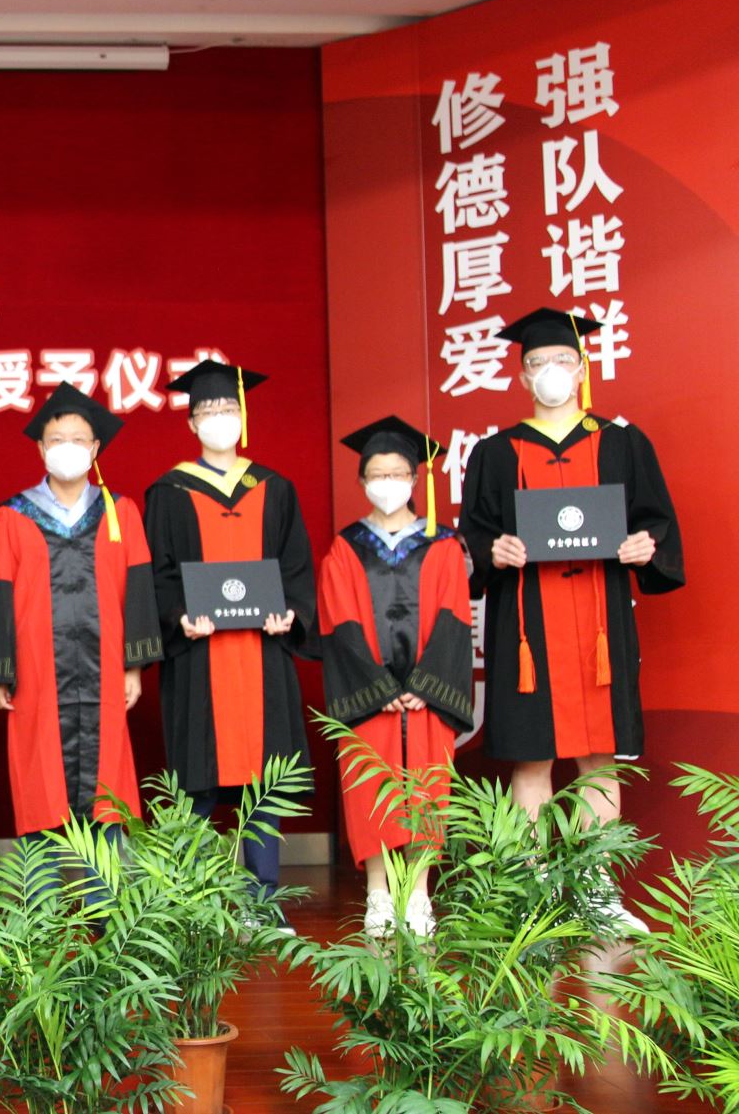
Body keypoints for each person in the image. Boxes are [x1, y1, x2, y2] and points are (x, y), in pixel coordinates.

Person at [460, 307, 683, 929]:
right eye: (538, 363)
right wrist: (493, 551)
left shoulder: (622, 444)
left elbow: (656, 522)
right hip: (525, 627)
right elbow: (472, 536)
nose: (551, 371)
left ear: (582, 368)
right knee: (531, 759)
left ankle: (596, 893)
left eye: (562, 360)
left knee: (598, 758)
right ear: (522, 375)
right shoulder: (496, 453)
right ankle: (529, 894)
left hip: (599, 624)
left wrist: (644, 546)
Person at [142, 359, 315, 902]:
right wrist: (178, 616)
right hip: (199, 657)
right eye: (208, 410)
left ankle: (264, 900)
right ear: (191, 422)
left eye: (228, 408)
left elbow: (296, 567)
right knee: (198, 778)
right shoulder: (169, 491)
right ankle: (196, 903)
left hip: (262, 654)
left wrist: (290, 612)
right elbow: (157, 573)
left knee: (264, 783)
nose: (219, 417)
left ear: (242, 416)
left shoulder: (275, 488)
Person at [0, 383, 161, 839]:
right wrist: (0, 669)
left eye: (78, 440)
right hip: (36, 670)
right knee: (39, 779)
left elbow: (138, 591)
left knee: (107, 786)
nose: (67, 448)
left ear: (95, 448)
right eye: (57, 440)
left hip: (105, 666)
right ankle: (39, 887)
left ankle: (105, 885)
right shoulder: (12, 516)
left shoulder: (119, 513)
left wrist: (134, 666)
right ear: (41, 448)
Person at [319, 416, 474, 937]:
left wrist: (425, 686)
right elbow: (339, 621)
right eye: (377, 475)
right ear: (362, 481)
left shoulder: (443, 543)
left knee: (427, 788)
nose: (388, 483)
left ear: (415, 478)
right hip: (373, 698)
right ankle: (379, 893)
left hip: (425, 696)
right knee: (370, 789)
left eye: (398, 474)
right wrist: (378, 687)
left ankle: (420, 893)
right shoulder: (346, 547)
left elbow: (454, 618)